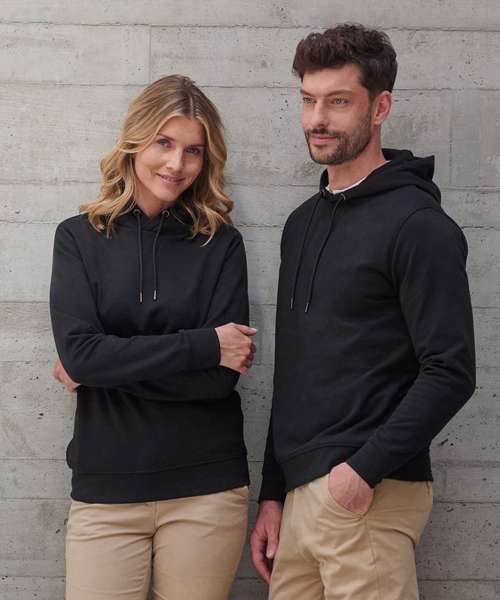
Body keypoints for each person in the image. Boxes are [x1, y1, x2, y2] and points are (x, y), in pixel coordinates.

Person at [251, 23, 475, 600]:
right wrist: (274, 492)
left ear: (380, 108)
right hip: (301, 499)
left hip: (366, 495)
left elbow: (451, 371)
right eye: (308, 100)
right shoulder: (301, 225)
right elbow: (295, 371)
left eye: (338, 102)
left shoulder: (418, 226)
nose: (317, 119)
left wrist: (360, 472)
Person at [49, 74, 257, 600]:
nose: (176, 164)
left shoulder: (220, 244)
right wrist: (203, 345)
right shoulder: (78, 238)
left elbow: (217, 382)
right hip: (106, 487)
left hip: (206, 489)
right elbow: (82, 355)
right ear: (136, 141)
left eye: (193, 151)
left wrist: (104, 367)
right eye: (164, 143)